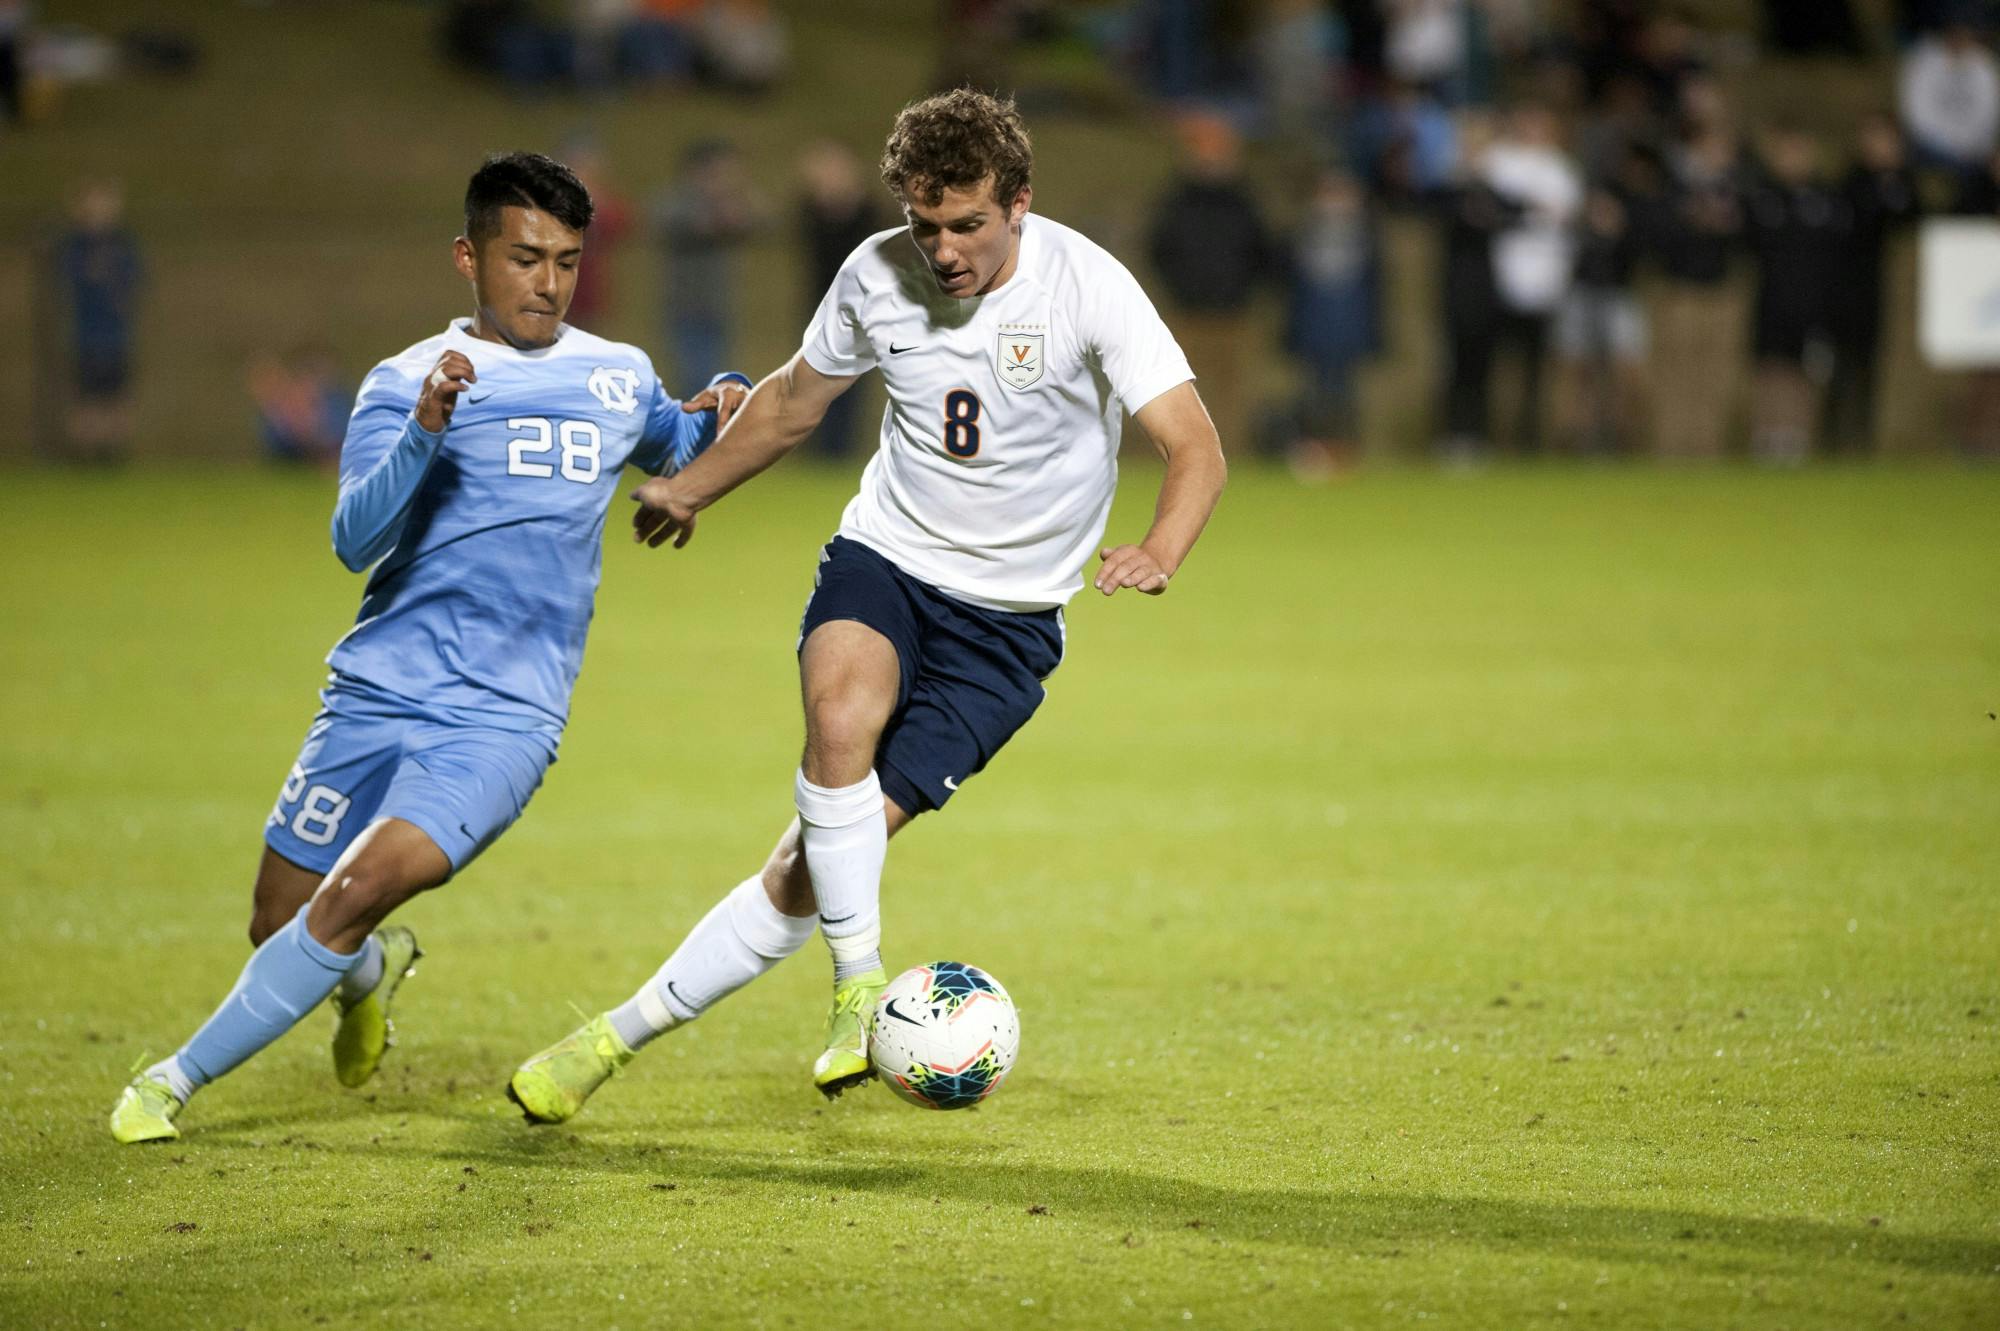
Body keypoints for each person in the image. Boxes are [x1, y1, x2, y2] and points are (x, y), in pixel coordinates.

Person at [506, 88, 1226, 1121]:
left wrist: (1160, 546)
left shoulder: (1088, 286)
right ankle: (857, 987)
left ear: (1018, 203)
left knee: (807, 865)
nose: (943, 250)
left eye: (967, 224)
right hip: (886, 557)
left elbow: (1193, 443)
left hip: (1004, 631)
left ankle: (612, 1035)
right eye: (925, 225)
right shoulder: (874, 275)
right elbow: (797, 398)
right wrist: (688, 485)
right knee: (836, 717)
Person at [106, 152, 750, 1144]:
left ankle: (170, 1080)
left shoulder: (613, 372)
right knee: (281, 915)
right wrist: (422, 431)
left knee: (359, 884)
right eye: (525, 257)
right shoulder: (406, 379)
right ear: (468, 256)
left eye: (566, 261)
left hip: (504, 716)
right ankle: (367, 972)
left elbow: (679, 440)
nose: (547, 281)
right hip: (377, 688)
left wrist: (729, 403)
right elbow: (352, 539)